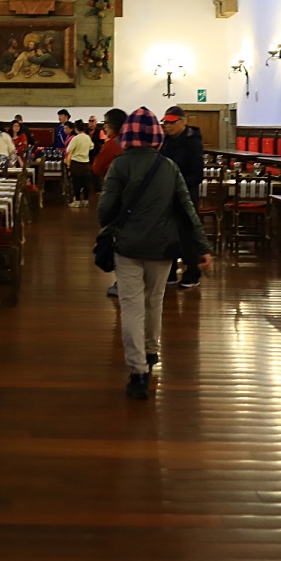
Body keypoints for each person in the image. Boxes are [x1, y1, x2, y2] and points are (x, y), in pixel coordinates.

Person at [97, 107, 211, 401]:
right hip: (162, 248)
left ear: (128, 134)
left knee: (132, 305)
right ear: (157, 135)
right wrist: (202, 248)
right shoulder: (169, 166)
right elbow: (187, 210)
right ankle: (151, 351)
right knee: (155, 301)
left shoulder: (120, 166)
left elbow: (104, 212)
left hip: (128, 246)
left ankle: (138, 372)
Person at [159, 106, 207, 287]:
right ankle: (170, 272)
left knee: (187, 233)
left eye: (171, 123)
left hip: (186, 194)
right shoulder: (165, 141)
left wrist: (178, 186)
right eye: (165, 123)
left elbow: (197, 173)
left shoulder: (192, 141)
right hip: (167, 194)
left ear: (182, 121)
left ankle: (192, 273)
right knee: (168, 233)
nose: (168, 126)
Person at [92, 108, 127, 297]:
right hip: (134, 198)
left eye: (105, 124)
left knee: (116, 240)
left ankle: (121, 283)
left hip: (116, 197)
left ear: (113, 125)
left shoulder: (113, 144)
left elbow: (97, 168)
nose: (104, 127)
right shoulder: (131, 142)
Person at [64, 122, 94, 206]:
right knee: (86, 183)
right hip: (86, 163)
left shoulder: (76, 138)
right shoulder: (87, 137)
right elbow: (92, 146)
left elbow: (69, 149)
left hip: (76, 163)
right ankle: (85, 200)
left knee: (76, 183)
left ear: (75, 128)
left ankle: (76, 201)